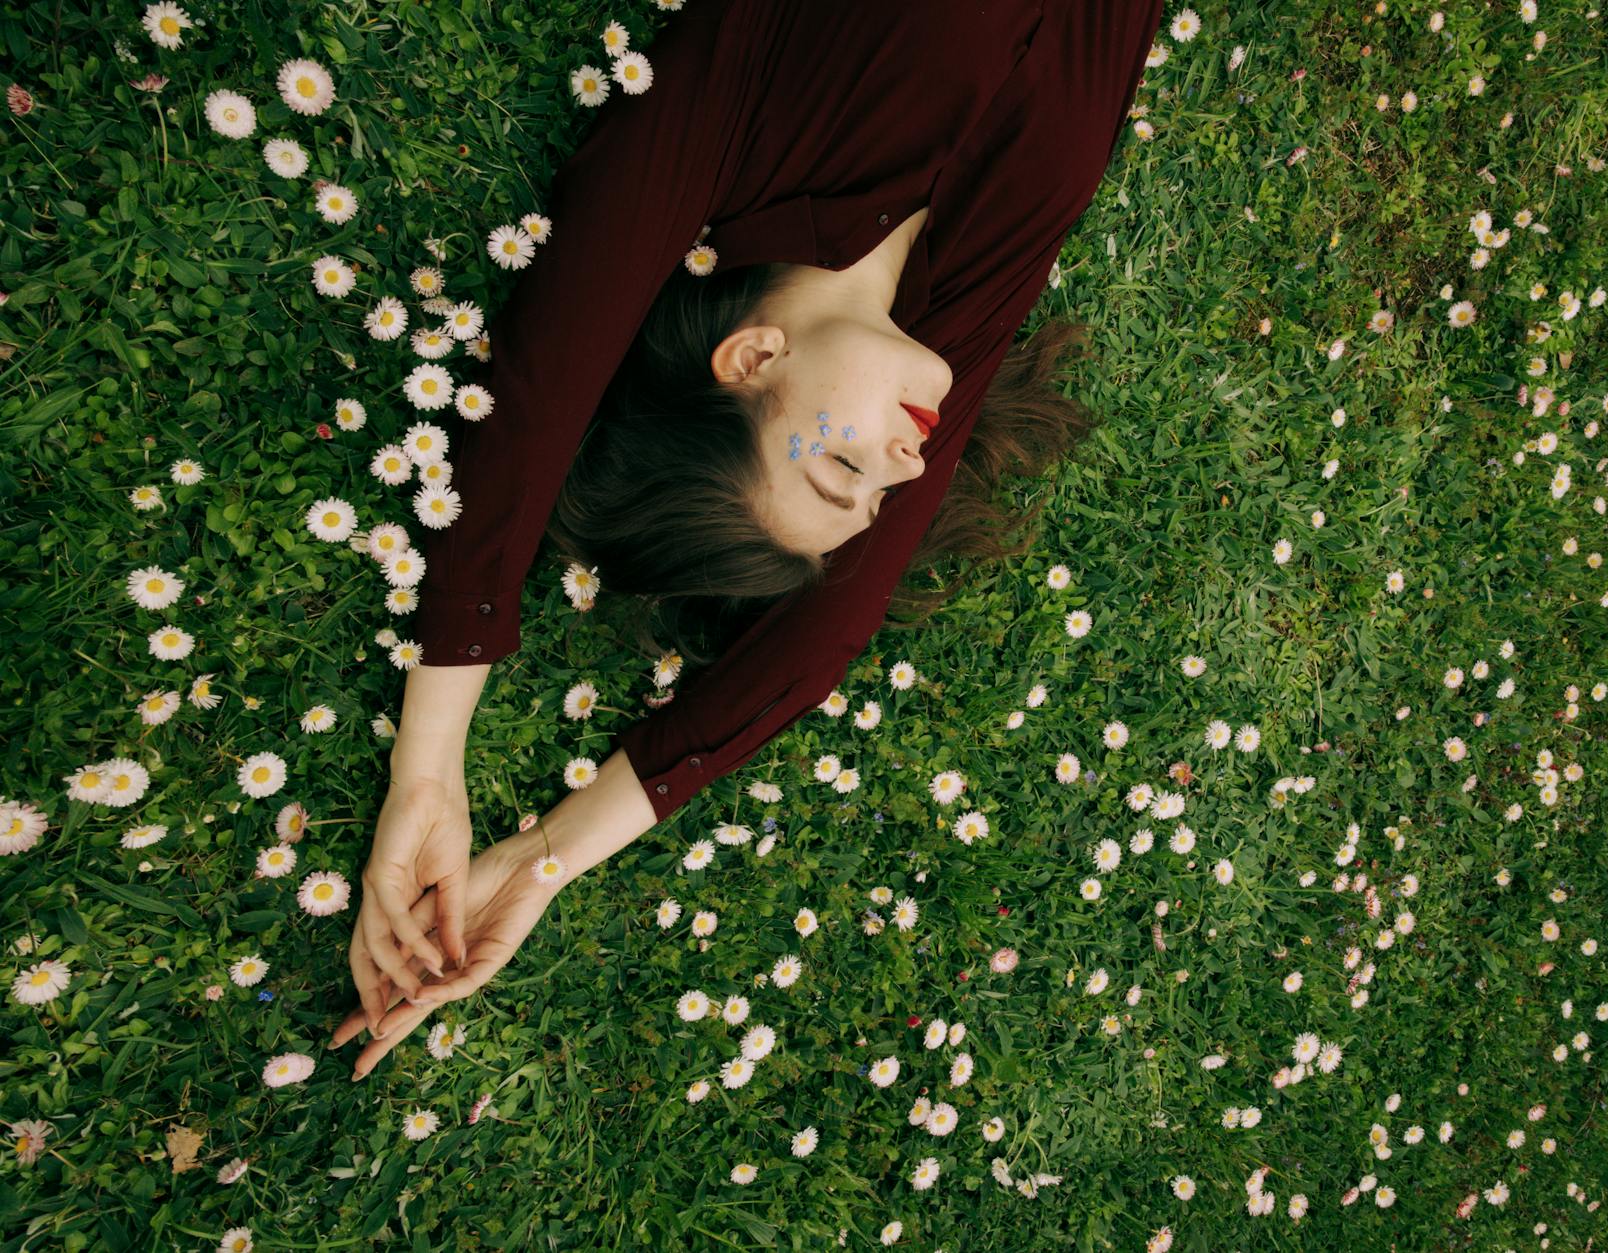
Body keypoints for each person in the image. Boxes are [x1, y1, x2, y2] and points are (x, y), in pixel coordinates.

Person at [329, 0, 1168, 1076]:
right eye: (876, 497)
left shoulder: (744, 121)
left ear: (753, 360)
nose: (910, 467)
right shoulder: (962, 296)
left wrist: (428, 768)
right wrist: (544, 858)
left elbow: (539, 389)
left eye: (842, 469)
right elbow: (824, 639)